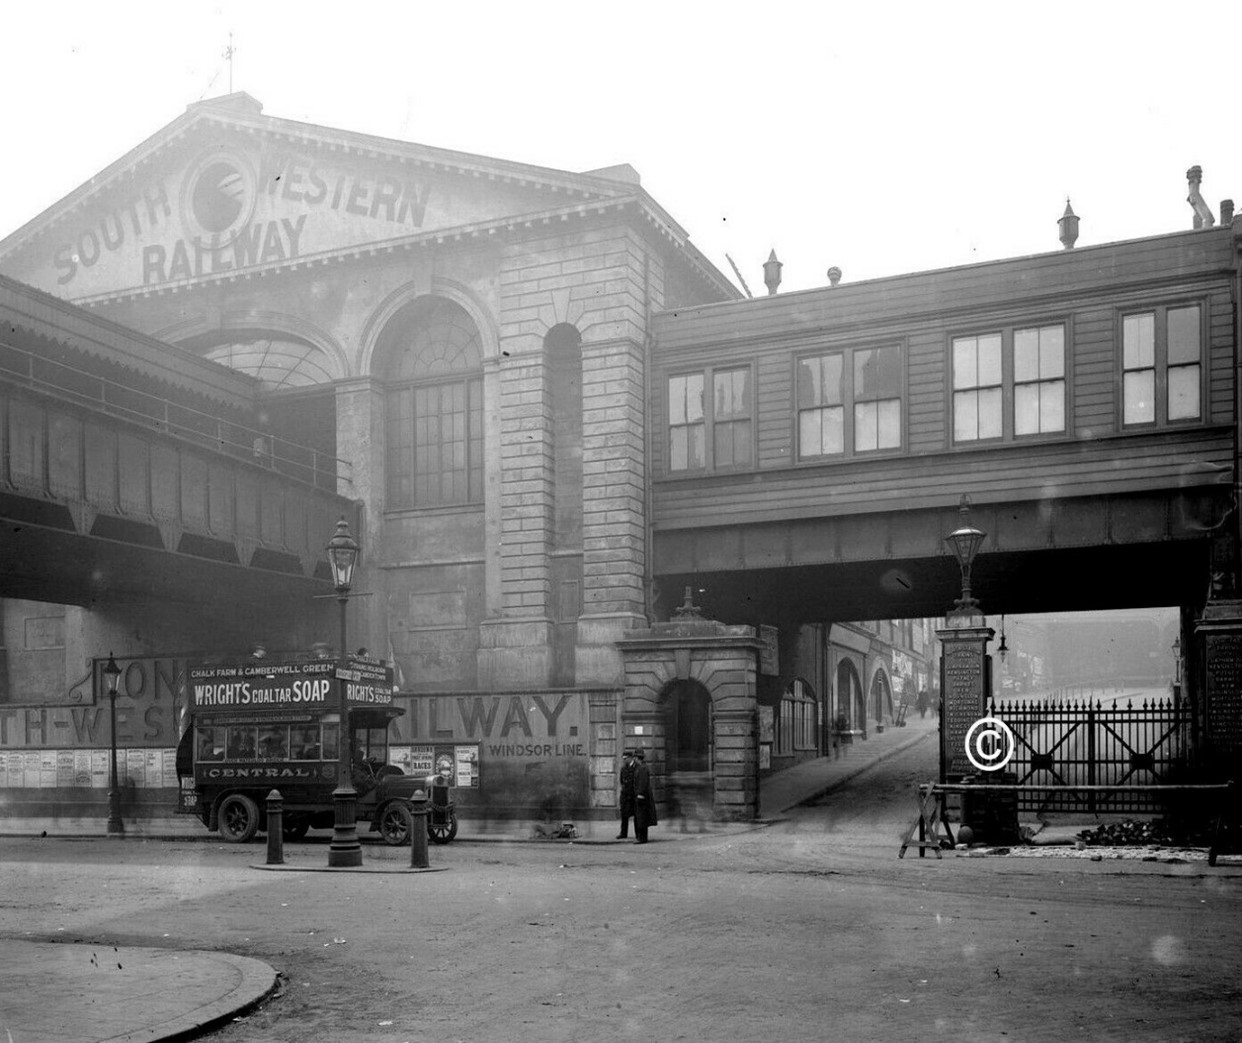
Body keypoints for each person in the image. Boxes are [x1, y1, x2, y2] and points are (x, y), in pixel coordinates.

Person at [633, 748, 658, 843]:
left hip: (642, 796)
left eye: (635, 757)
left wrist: (640, 794)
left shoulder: (642, 768)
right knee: (640, 816)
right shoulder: (640, 767)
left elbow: (642, 783)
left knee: (642, 817)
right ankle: (641, 837)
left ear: (637, 758)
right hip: (641, 795)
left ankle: (642, 838)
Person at [616, 749, 636, 839]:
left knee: (636, 815)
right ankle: (623, 833)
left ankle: (638, 833)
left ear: (630, 758)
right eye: (623, 758)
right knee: (624, 814)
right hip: (625, 794)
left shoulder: (636, 767)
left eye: (626, 758)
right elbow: (621, 781)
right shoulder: (623, 768)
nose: (624, 760)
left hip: (633, 794)